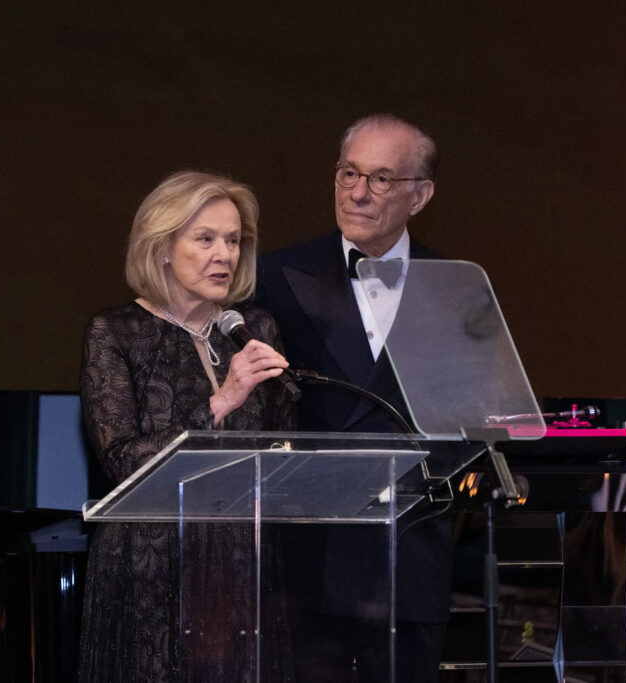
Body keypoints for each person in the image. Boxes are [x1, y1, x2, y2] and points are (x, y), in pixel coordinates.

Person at [77, 170, 295, 683]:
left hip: (242, 566)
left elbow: (284, 444)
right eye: (205, 239)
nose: (225, 255)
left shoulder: (254, 329)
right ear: (163, 248)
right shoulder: (116, 333)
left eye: (233, 240)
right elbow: (121, 461)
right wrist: (220, 402)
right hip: (150, 570)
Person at [255, 114, 447, 682]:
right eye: (348, 173)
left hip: (409, 561)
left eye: (381, 179)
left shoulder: (457, 286)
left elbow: (477, 413)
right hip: (309, 563)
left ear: (420, 195)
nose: (358, 193)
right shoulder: (275, 276)